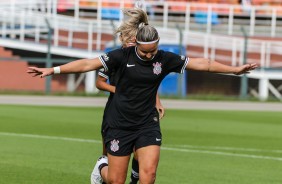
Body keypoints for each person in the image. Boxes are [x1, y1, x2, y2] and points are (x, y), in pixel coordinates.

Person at [27, 22, 258, 184]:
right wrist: (53, 70)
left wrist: (234, 70)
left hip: (147, 123)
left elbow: (204, 63)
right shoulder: (120, 57)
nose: (150, 56)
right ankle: (100, 168)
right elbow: (87, 64)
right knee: (116, 180)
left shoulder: (165, 59)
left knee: (149, 175)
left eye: (153, 51)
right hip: (120, 124)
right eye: (145, 52)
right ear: (136, 44)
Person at [94, 8, 164, 184]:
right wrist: (119, 91)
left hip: (142, 113)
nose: (134, 44)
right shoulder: (115, 58)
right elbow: (99, 83)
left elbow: (148, 85)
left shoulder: (144, 59)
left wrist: (157, 101)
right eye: (131, 41)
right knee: (112, 163)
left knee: (142, 152)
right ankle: (101, 168)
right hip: (116, 111)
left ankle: (134, 179)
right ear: (124, 40)